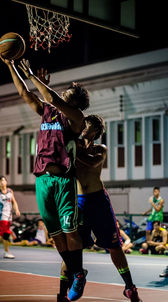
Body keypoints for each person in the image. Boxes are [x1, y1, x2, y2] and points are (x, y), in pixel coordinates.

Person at [0, 53, 90, 301]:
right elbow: (25, 94)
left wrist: (32, 77)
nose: (64, 93)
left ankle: (77, 273)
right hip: (42, 181)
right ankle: (76, 272)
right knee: (56, 236)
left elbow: (50, 96)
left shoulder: (76, 119)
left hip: (63, 182)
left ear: (75, 102)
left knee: (71, 232)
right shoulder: (49, 112)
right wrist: (11, 66)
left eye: (68, 93)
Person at [58, 115, 142, 302]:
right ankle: (62, 293)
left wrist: (70, 148)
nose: (82, 126)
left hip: (99, 201)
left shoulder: (100, 149)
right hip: (78, 201)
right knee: (73, 247)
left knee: (114, 247)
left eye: (87, 124)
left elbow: (91, 162)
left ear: (95, 130)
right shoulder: (73, 143)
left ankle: (129, 287)